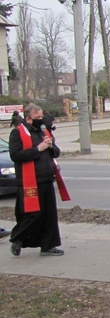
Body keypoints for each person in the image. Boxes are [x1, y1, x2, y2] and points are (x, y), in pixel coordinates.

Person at [8, 103, 64, 257]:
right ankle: (18, 238)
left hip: (46, 178)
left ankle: (48, 245)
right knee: (32, 215)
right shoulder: (18, 133)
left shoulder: (43, 131)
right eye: (37, 117)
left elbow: (56, 153)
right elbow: (16, 155)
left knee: (49, 215)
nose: (41, 120)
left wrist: (51, 146)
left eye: (41, 117)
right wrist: (38, 149)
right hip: (29, 181)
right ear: (28, 118)